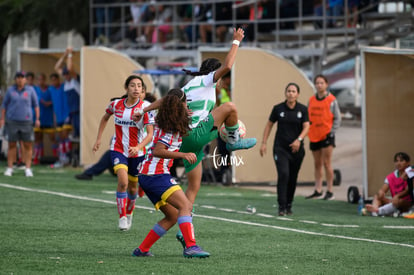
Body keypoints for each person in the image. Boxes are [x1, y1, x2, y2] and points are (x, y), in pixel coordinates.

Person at [134, 27, 256, 248]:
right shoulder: (208, 81)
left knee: (193, 186)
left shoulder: (193, 86)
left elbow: (167, 99)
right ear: (214, 74)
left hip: (191, 142)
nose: (222, 79)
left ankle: (185, 228)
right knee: (229, 107)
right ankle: (232, 139)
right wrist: (236, 41)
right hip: (192, 137)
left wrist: (143, 110)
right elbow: (228, 65)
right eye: (220, 76)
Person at [132, 88, 209, 258]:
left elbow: (166, 100)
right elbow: (158, 151)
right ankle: (191, 246)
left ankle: (142, 250)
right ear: (178, 105)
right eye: (185, 102)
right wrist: (183, 154)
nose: (187, 105)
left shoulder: (161, 117)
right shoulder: (170, 127)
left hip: (147, 175)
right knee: (185, 206)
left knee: (173, 216)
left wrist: (145, 110)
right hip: (156, 174)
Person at [93, 75, 154, 231]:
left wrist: (139, 147)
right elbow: (105, 118)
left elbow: (150, 134)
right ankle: (122, 217)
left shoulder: (145, 108)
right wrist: (98, 139)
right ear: (126, 88)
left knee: (133, 189)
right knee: (123, 182)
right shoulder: (116, 105)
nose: (136, 89)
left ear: (142, 90)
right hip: (118, 149)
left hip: (137, 153)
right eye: (132, 85)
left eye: (139, 86)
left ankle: (129, 212)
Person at [260, 83, 310, 216]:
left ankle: (289, 204)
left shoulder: (303, 109)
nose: (291, 93)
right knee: (284, 174)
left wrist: (298, 140)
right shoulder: (278, 108)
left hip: (297, 150)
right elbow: (269, 125)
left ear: (298, 94)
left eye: (293, 91)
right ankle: (281, 206)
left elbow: (306, 127)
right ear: (285, 93)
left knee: (292, 178)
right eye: (288, 91)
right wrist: (264, 143)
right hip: (280, 148)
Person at [306, 74, 341, 200]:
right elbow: (307, 117)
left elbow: (337, 118)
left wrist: (331, 132)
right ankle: (318, 189)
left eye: (322, 83)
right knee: (317, 164)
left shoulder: (331, 100)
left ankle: (330, 190)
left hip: (327, 135)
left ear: (326, 84)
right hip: (314, 134)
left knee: (327, 163)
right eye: (317, 83)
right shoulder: (311, 100)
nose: (319, 85)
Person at [1, 71, 40, 177]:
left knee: (27, 144)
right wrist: (2, 119)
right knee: (12, 144)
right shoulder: (10, 90)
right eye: (18, 77)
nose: (20, 79)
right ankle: (10, 167)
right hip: (12, 121)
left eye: (22, 77)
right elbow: (4, 105)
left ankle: (28, 168)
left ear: (25, 79)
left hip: (26, 122)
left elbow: (36, 105)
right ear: (15, 79)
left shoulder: (30, 90)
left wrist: (37, 119)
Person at [364, 152, 412, 216]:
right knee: (377, 196)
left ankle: (378, 211)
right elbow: (383, 190)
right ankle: (375, 212)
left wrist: (397, 196)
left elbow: (408, 190)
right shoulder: (391, 177)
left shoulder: (411, 173)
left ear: (408, 163)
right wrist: (381, 193)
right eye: (396, 161)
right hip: (394, 201)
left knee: (398, 201)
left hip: (407, 202)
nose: (398, 163)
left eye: (401, 161)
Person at [33, 73, 57, 165]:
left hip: (48, 119)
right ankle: (38, 158)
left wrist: (49, 103)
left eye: (42, 79)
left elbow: (54, 100)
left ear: (45, 80)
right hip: (39, 118)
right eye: (39, 80)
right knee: (38, 138)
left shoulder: (50, 89)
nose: (40, 81)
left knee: (52, 138)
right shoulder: (36, 89)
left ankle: (57, 157)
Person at [48, 72, 71, 167]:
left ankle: (68, 157)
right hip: (58, 117)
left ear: (58, 79)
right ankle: (62, 158)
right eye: (52, 80)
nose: (54, 82)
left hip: (67, 115)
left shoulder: (64, 86)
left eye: (55, 79)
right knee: (60, 138)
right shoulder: (51, 89)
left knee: (65, 135)